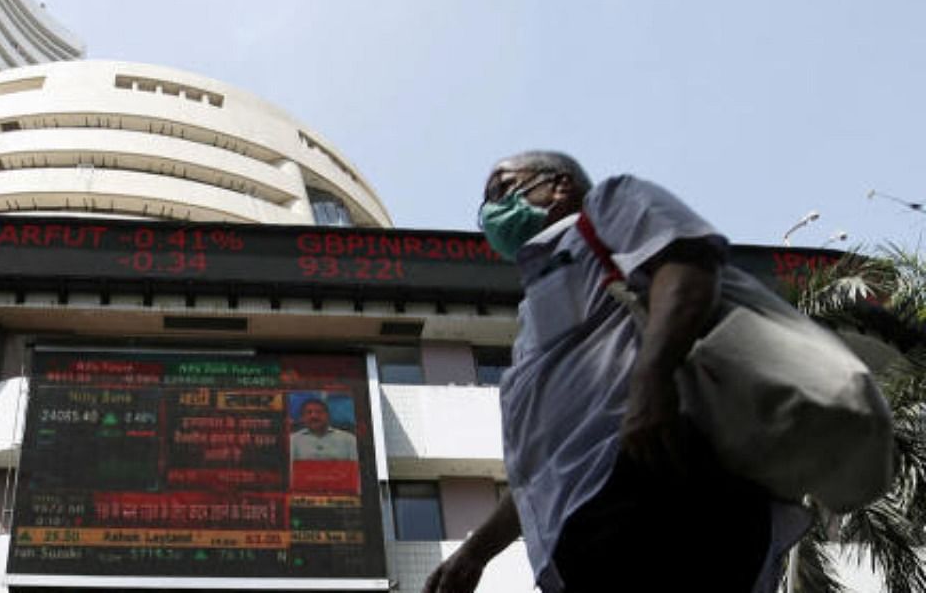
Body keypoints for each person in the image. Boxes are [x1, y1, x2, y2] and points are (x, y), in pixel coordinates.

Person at [423, 151, 805, 593]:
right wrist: (476, 553)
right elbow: (549, 470)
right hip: (585, 531)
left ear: (560, 186)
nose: (492, 210)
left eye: (503, 189)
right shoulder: (532, 314)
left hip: (657, 491)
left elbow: (688, 265)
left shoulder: (609, 207)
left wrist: (651, 382)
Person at [290, 398, 358, 461]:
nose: (314, 416)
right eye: (309, 412)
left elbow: (356, 469)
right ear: (302, 418)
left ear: (328, 416)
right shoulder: (293, 440)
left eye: (319, 412)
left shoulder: (349, 439)